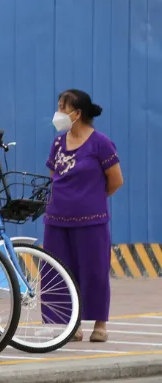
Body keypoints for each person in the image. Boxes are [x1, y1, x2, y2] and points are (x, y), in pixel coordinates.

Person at [44, 89, 123, 343]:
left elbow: (115, 180)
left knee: (94, 272)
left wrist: (92, 200)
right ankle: (71, 323)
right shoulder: (58, 142)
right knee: (59, 272)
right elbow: (53, 178)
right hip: (57, 219)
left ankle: (100, 323)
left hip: (92, 220)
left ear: (77, 113)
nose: (58, 113)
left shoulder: (101, 142)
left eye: (62, 107)